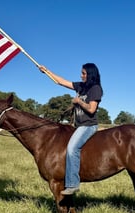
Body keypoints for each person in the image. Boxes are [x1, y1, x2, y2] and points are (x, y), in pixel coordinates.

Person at [39, 63, 103, 195]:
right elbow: (61, 82)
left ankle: (73, 184)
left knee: (72, 148)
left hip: (88, 125)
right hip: (78, 126)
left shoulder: (95, 88)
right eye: (81, 73)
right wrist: (47, 71)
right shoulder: (81, 86)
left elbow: (92, 109)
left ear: (90, 74)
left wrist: (79, 101)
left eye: (84, 73)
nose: (81, 75)